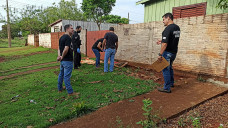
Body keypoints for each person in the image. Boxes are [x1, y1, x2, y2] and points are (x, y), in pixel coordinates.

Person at [157, 13, 180, 93]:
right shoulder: (177, 27)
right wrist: (162, 40)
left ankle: (166, 88)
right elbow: (172, 38)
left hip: (167, 53)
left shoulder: (167, 29)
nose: (163, 21)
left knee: (165, 69)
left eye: (164, 19)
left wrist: (160, 54)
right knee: (170, 67)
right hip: (174, 52)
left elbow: (165, 44)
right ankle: (171, 83)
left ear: (168, 18)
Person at [57, 24, 79, 97]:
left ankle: (60, 88)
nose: (73, 30)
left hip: (63, 61)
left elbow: (59, 48)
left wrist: (59, 56)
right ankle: (70, 92)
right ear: (67, 29)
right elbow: (66, 49)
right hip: (67, 60)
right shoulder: (68, 38)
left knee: (61, 74)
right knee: (67, 76)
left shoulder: (61, 37)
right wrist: (62, 56)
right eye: (71, 28)